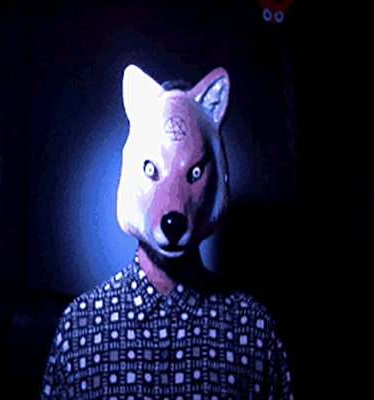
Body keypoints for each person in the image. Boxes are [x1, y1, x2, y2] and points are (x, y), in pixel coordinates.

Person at [40, 65, 294, 400]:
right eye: (152, 169)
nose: (173, 205)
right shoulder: (80, 330)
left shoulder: (255, 334)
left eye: (193, 173)